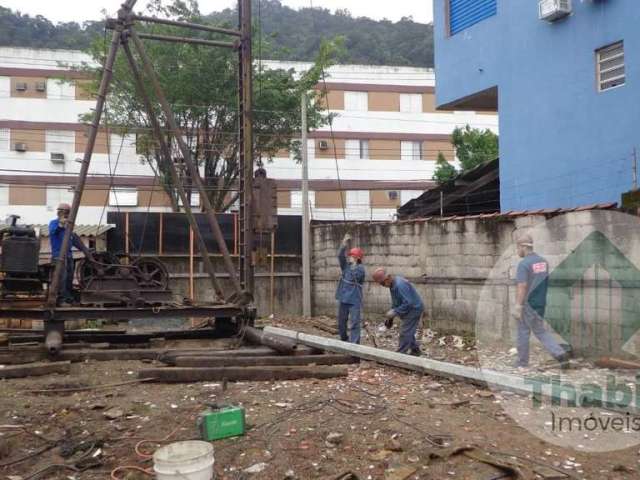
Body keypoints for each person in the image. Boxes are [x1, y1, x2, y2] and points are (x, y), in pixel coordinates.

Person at [513, 234, 569, 369]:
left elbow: (522, 286)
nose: (517, 251)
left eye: (517, 248)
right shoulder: (543, 262)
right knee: (540, 330)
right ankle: (560, 354)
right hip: (540, 303)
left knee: (523, 331)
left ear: (522, 247)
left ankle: (522, 363)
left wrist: (518, 305)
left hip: (528, 304)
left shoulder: (524, 264)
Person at [373, 268, 424, 356]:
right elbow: (396, 302)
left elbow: (409, 302)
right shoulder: (392, 285)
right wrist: (390, 318)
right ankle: (415, 350)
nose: (382, 285)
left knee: (404, 332)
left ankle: (400, 355)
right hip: (410, 308)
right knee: (408, 331)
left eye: (382, 283)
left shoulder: (400, 285)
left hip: (414, 309)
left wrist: (395, 311)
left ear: (388, 278)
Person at [49, 203, 92, 305]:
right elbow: (53, 231)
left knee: (69, 278)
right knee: (61, 278)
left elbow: (74, 240)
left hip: (68, 256)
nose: (67, 215)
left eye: (68, 213)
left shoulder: (69, 227)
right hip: (58, 256)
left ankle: (68, 298)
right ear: (60, 213)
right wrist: (61, 224)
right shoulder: (54, 223)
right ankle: (60, 300)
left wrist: (87, 251)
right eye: (65, 212)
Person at [335, 234, 365, 344]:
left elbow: (355, 275)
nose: (349, 257)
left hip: (354, 300)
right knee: (341, 323)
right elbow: (340, 256)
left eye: (351, 256)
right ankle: (344, 340)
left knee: (355, 323)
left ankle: (354, 344)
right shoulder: (346, 266)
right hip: (343, 299)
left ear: (357, 258)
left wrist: (353, 264)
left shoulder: (360, 269)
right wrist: (344, 244)